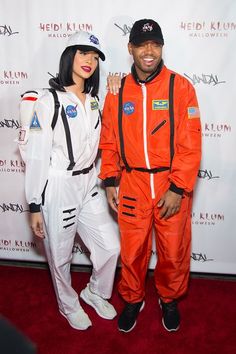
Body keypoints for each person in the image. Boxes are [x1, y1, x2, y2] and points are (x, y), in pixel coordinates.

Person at [99, 19, 201, 333]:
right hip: (132, 183)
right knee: (132, 250)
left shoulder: (180, 87)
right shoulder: (117, 91)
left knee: (173, 250)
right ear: (130, 48)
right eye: (142, 45)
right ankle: (133, 299)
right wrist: (110, 180)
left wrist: (179, 187)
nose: (149, 51)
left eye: (155, 44)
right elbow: (109, 139)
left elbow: (191, 140)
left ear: (161, 48)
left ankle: (168, 299)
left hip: (170, 184)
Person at [18, 31, 120, 330]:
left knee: (110, 248)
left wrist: (114, 90)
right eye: (82, 53)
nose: (89, 61)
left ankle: (95, 292)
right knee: (60, 256)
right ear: (69, 57)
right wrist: (34, 203)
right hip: (59, 186)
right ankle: (67, 304)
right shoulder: (49, 101)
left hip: (89, 184)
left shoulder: (93, 101)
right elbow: (37, 155)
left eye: (94, 57)